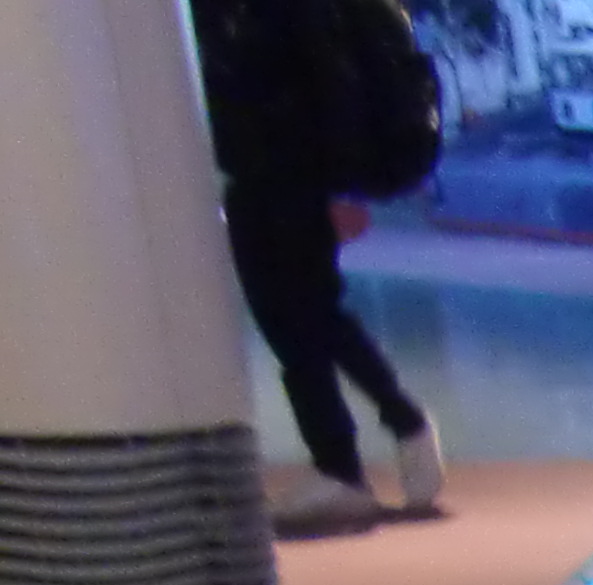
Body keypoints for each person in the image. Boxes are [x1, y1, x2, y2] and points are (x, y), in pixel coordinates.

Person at [190, 0, 448, 537]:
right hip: (251, 174)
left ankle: (355, 454)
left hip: (299, 174)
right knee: (287, 320)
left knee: (309, 313)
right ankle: (365, 447)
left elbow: (335, 87)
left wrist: (341, 188)